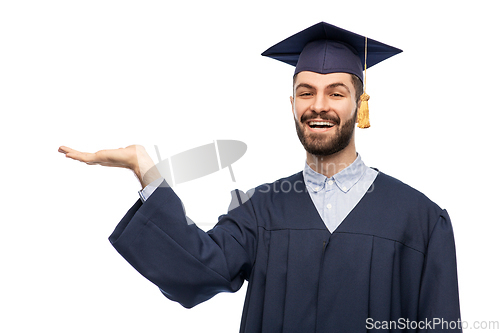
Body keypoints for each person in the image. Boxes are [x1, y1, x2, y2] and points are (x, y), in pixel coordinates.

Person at [59, 22, 461, 332]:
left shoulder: (420, 219)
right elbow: (200, 268)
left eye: (336, 93)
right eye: (306, 92)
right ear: (291, 103)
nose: (318, 106)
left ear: (360, 102)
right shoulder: (257, 210)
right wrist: (146, 170)